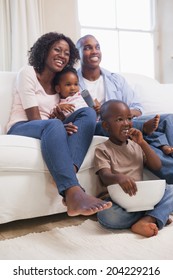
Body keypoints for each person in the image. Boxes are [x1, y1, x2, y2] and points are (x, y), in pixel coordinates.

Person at [6, 32, 112, 217]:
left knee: (86, 113)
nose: (62, 55)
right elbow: (35, 119)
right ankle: (73, 191)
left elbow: (63, 115)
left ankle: (67, 171)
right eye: (57, 50)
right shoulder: (28, 73)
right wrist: (58, 124)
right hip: (22, 126)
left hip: (48, 127)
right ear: (45, 51)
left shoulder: (60, 83)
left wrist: (87, 112)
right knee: (53, 125)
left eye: (66, 53)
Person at [76, 34, 173, 183]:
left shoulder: (115, 79)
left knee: (169, 119)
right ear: (78, 53)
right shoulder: (71, 82)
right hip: (100, 125)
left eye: (97, 47)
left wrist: (123, 115)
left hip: (126, 125)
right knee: (110, 123)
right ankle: (144, 129)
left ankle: (152, 136)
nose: (94, 51)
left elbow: (138, 108)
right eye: (88, 48)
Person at [94, 99, 173, 237]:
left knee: (171, 190)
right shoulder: (103, 149)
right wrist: (118, 178)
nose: (126, 123)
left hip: (142, 197)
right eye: (119, 119)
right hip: (119, 200)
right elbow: (104, 176)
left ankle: (147, 219)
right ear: (106, 126)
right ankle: (155, 215)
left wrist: (142, 143)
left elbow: (157, 165)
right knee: (107, 215)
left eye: (129, 118)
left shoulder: (136, 144)